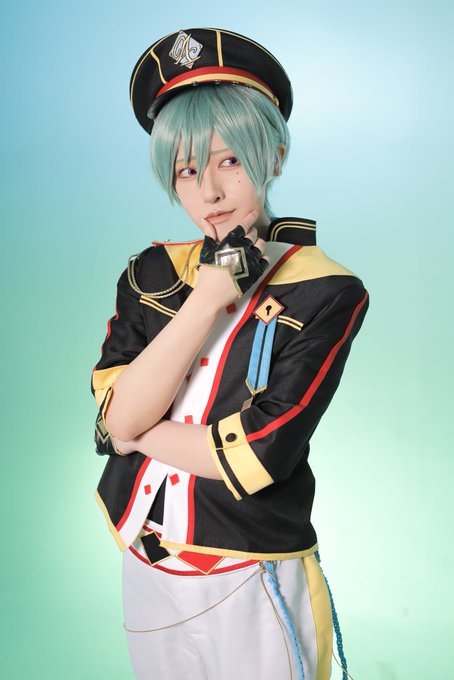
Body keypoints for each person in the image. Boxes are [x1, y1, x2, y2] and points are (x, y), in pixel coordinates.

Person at [91, 27, 369, 680]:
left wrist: (135, 430)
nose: (209, 194)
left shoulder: (326, 289)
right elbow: (110, 419)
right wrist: (207, 298)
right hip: (144, 561)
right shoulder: (152, 273)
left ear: (275, 155)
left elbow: (258, 454)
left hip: (251, 574)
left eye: (230, 161)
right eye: (187, 170)